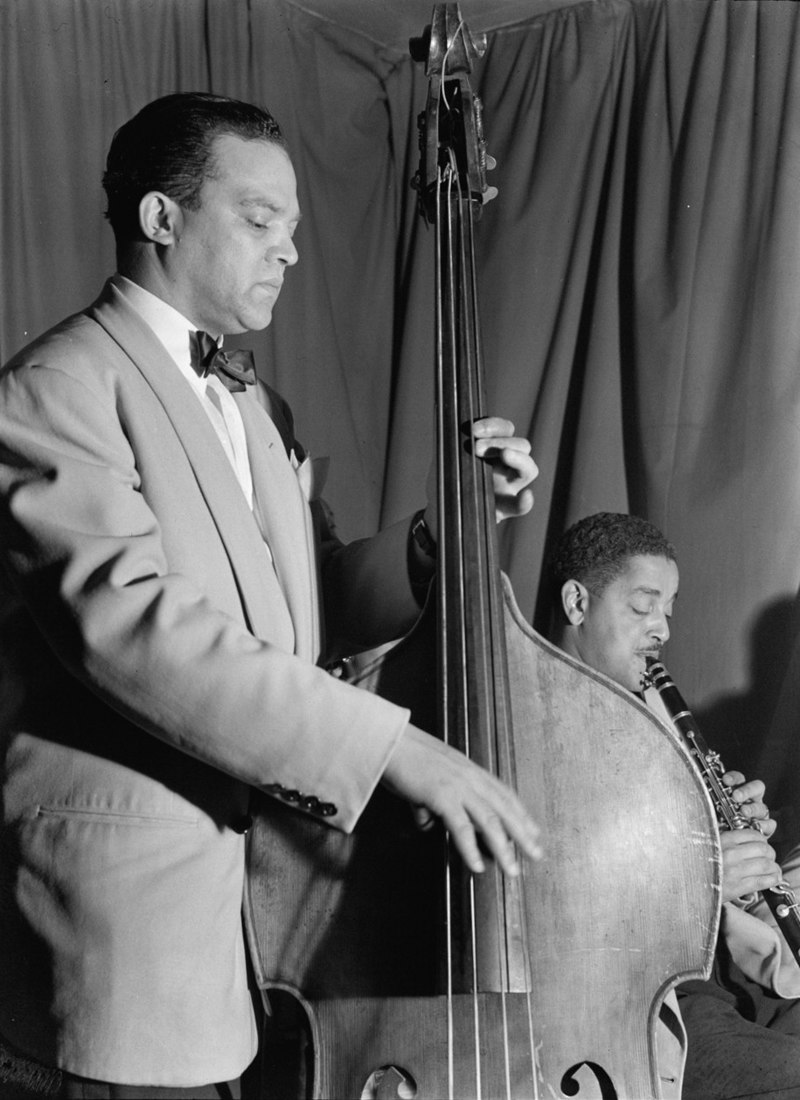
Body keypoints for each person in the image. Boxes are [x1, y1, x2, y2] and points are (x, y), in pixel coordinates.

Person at [0, 92, 542, 1098]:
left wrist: (447, 532)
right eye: (259, 221)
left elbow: (310, 600)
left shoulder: (257, 404)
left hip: (267, 921)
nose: (288, 251)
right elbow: (139, 630)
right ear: (161, 218)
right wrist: (393, 747)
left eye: (292, 228)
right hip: (128, 934)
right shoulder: (48, 391)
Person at [548, 511, 800, 1100]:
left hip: (714, 980)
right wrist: (703, 877)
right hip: (629, 1000)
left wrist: (735, 850)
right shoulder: (529, 715)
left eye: (670, 609)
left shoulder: (661, 717)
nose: (661, 628)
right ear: (577, 602)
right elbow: (556, 887)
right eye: (643, 606)